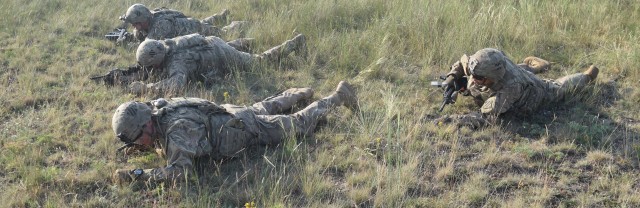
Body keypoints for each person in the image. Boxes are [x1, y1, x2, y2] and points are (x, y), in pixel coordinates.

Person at [112, 81, 359, 184]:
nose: (139, 145)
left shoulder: (177, 131)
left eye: (138, 139)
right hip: (227, 112)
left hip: (243, 129)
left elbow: (180, 173)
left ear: (147, 125)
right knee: (264, 107)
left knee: (299, 123)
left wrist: (139, 175)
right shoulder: (159, 107)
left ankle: (338, 96)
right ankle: (299, 93)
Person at [435, 48, 599, 128]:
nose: (473, 78)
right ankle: (533, 66)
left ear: (493, 75)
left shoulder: (511, 87)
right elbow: (463, 63)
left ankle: (586, 77)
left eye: (479, 77)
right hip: (513, 73)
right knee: (519, 71)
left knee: (557, 88)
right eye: (473, 74)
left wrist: (454, 120)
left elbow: (486, 114)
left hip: (536, 93)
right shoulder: (482, 64)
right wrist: (451, 78)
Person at [129, 33, 306, 94]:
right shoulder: (166, 44)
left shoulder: (176, 61)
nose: (151, 70)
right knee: (234, 49)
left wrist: (146, 87)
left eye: (151, 66)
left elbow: (176, 85)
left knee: (259, 62)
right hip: (211, 44)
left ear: (157, 59)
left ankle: (294, 43)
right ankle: (243, 42)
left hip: (220, 55)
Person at [118, 4, 252, 51]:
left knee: (222, 32)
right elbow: (139, 35)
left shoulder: (159, 26)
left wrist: (128, 44)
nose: (134, 27)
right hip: (185, 23)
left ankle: (244, 24)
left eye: (136, 23)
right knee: (207, 21)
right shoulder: (148, 18)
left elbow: (146, 47)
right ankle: (222, 14)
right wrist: (130, 37)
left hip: (193, 28)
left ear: (143, 20)